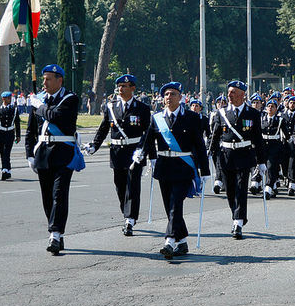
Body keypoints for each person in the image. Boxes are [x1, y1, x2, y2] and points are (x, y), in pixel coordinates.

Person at [135, 82, 210, 258]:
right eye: (166, 94)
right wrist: (140, 153)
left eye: (173, 94)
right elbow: (146, 140)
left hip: (183, 167)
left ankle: (169, 241)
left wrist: (205, 170)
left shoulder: (191, 118)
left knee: (176, 205)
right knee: (170, 207)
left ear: (181, 97)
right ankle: (182, 241)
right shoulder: (157, 118)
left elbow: (199, 146)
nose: (169, 97)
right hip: (164, 167)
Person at [25, 64, 83, 255]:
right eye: (43, 79)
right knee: (47, 197)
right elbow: (31, 131)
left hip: (63, 154)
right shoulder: (39, 100)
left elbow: (55, 116)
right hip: (42, 154)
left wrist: (38, 106)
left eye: (49, 79)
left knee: (59, 194)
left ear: (60, 80)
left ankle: (55, 234)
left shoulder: (70, 99)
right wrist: (29, 155)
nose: (45, 83)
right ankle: (56, 230)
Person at [84, 74, 151, 236]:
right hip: (116, 153)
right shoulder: (111, 107)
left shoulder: (142, 108)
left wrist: (144, 152)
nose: (120, 89)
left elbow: (148, 133)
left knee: (132, 186)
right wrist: (94, 145)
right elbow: (103, 129)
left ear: (132, 88)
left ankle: (130, 219)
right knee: (120, 185)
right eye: (119, 86)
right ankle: (126, 211)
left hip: (134, 152)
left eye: (124, 86)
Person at [209, 80, 267, 239]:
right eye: (228, 92)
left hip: (244, 155)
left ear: (242, 95)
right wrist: (207, 155)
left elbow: (258, 139)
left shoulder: (252, 114)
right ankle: (238, 214)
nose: (229, 95)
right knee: (230, 191)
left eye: (233, 92)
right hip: (226, 156)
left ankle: (238, 222)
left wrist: (261, 161)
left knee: (241, 189)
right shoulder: (221, 113)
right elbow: (215, 136)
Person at [0, 91, 21, 180]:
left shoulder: (14, 109)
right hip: (0, 134)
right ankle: (8, 170)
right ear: (3, 99)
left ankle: (4, 170)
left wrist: (18, 135)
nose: (10, 100)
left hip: (10, 133)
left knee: (7, 152)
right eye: (8, 98)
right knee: (3, 153)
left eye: (10, 98)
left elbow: (17, 123)